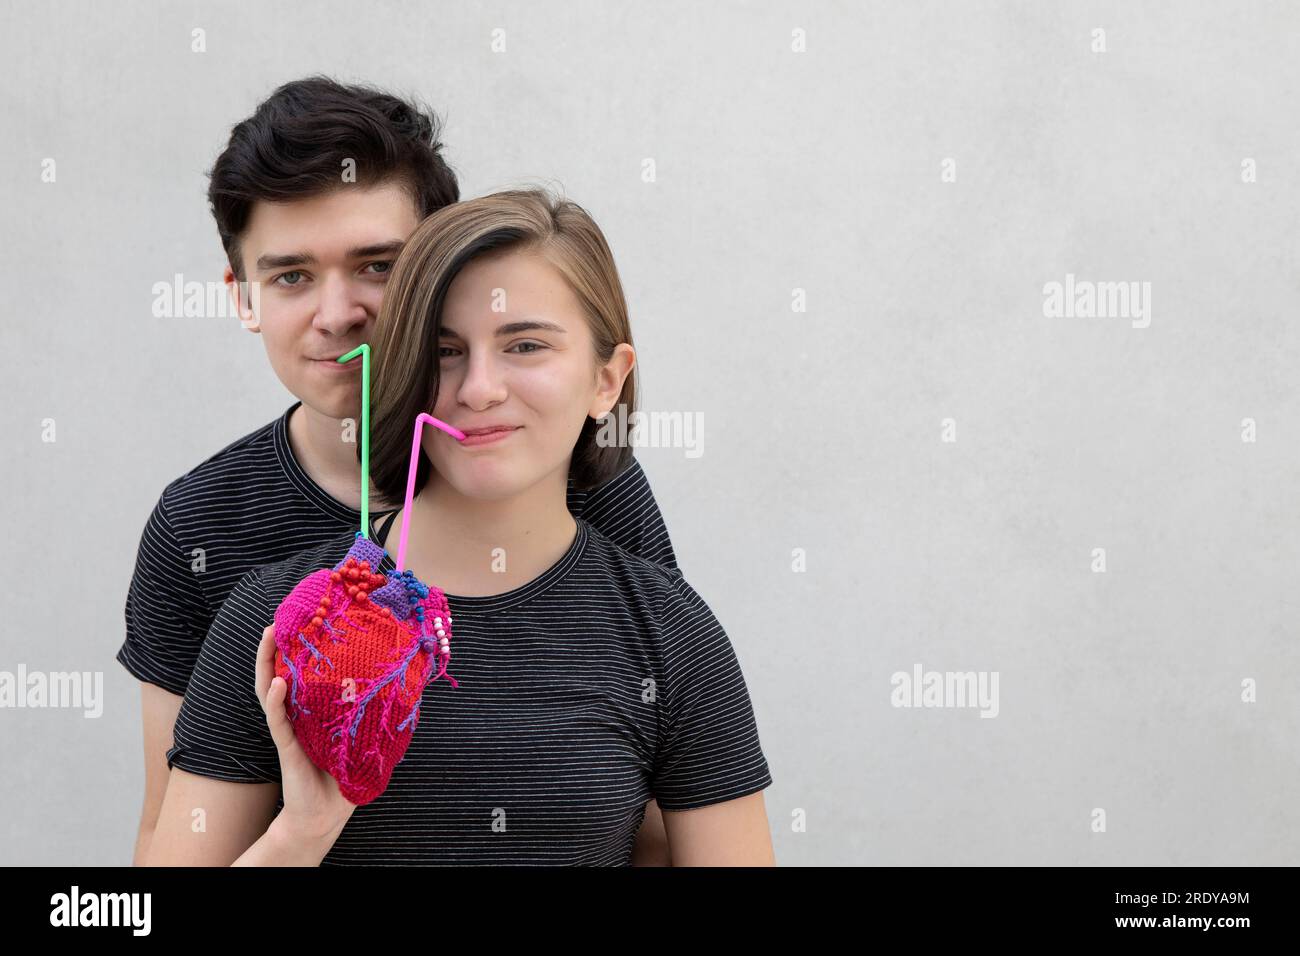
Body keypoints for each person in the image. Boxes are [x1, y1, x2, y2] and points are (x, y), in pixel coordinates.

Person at [119, 77, 677, 865]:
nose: (338, 313)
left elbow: (654, 802)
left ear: (436, 270)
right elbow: (169, 835)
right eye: (290, 277)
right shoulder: (201, 526)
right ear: (242, 296)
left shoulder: (569, 481)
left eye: (378, 266)